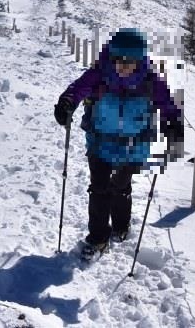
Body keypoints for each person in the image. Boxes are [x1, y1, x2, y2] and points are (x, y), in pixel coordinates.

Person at [54, 27, 183, 259]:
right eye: (118, 60)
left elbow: (167, 104)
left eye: (130, 62)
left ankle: (121, 226)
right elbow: (78, 89)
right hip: (100, 143)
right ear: (111, 58)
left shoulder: (151, 81)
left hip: (134, 147)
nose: (123, 66)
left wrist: (173, 122)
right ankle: (98, 237)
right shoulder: (99, 75)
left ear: (140, 60)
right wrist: (66, 103)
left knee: (121, 187)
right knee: (99, 189)